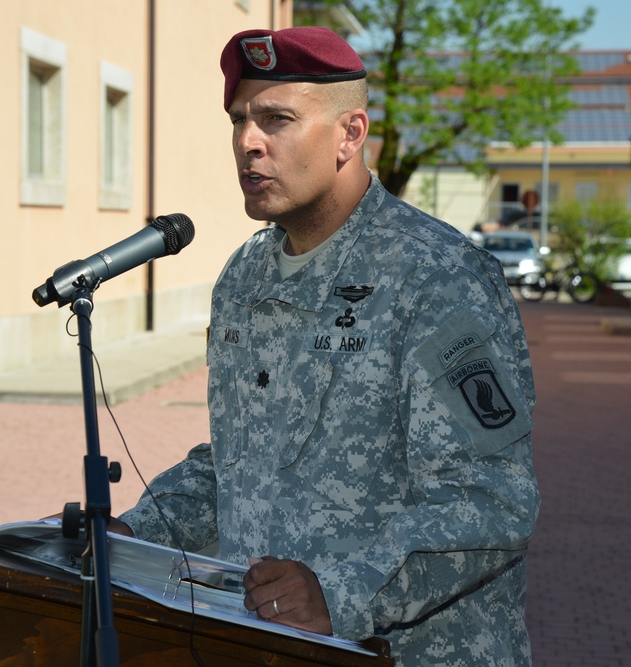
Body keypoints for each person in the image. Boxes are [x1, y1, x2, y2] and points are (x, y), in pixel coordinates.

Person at [111, 26, 539, 666]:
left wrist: (339, 591)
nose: (248, 143)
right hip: (266, 647)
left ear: (350, 134)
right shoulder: (244, 277)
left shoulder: (434, 276)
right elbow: (240, 459)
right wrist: (128, 534)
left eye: (276, 119)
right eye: (239, 121)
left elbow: (492, 499)